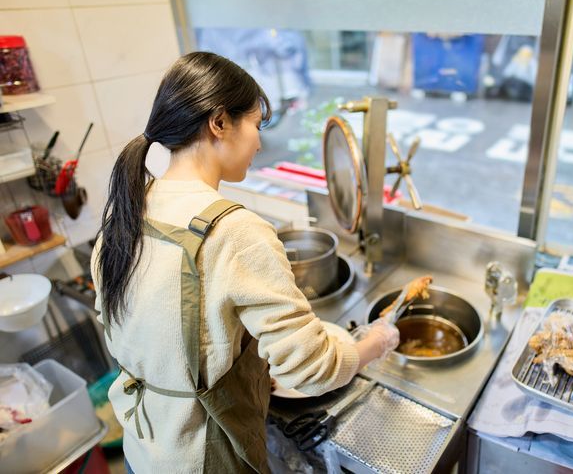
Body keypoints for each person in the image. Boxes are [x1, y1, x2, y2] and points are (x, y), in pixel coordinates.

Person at [90, 52, 399, 474]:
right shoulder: (235, 232)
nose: (259, 143)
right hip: (202, 458)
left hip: (142, 450)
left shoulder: (127, 210)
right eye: (256, 124)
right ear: (219, 122)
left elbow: (132, 326)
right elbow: (314, 368)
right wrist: (374, 344)